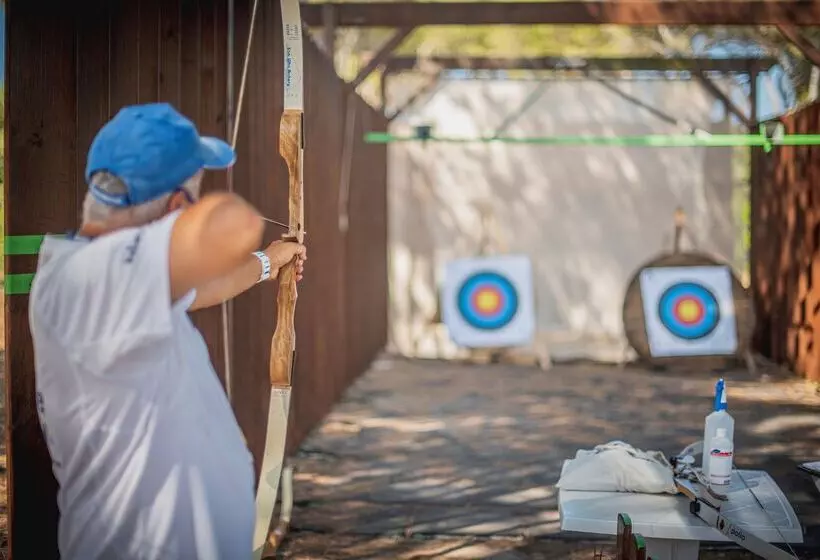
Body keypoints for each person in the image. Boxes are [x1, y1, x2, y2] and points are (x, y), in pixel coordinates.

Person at [28, 102, 306, 560]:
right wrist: (204, 222)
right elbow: (232, 225)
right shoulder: (93, 280)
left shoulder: (115, 282)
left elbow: (202, 288)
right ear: (178, 205)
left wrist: (269, 262)